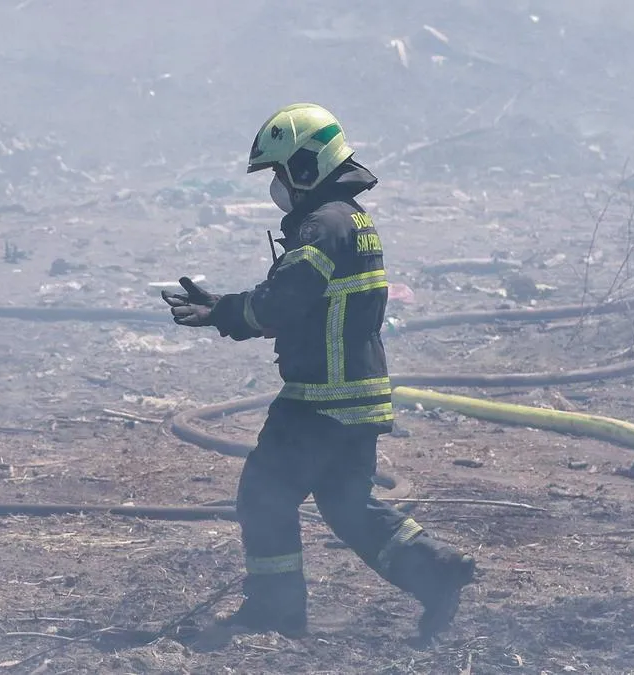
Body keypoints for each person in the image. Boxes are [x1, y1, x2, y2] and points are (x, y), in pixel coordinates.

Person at [162, 103, 476, 641]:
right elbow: (302, 299)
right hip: (359, 396)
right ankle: (437, 572)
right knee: (348, 504)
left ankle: (275, 611)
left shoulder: (323, 225)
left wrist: (223, 312)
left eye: (280, 173)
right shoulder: (350, 219)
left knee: (263, 492)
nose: (277, 187)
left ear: (306, 166)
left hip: (320, 400)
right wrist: (225, 304)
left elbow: (285, 302)